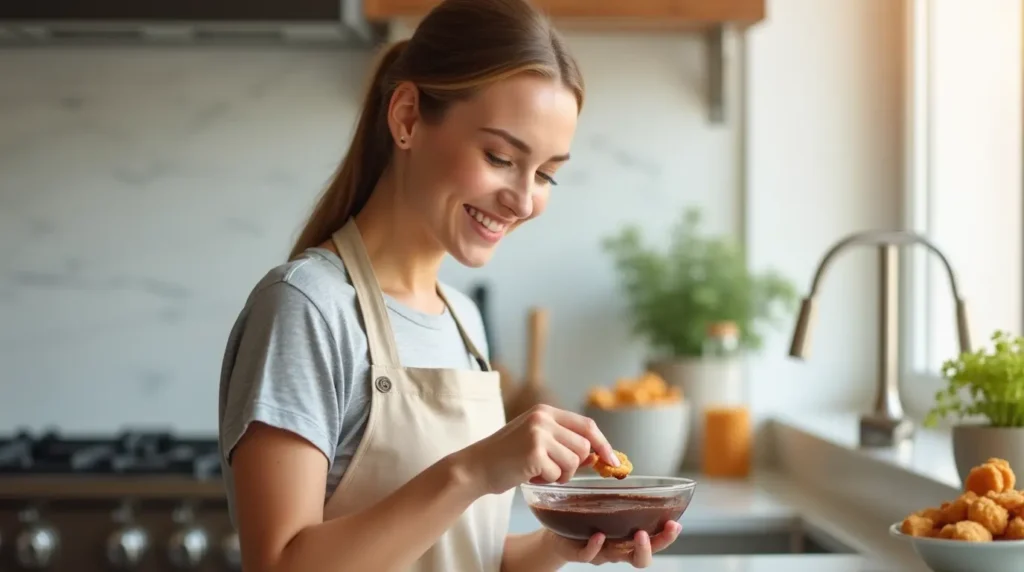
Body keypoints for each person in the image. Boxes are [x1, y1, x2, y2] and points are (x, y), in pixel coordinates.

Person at [217, 0, 682, 570]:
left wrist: (559, 546)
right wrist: (473, 470)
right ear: (408, 117)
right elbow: (280, 563)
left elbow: (456, 555)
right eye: (500, 157)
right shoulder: (308, 308)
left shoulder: (460, 319)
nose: (524, 198)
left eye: (546, 174)